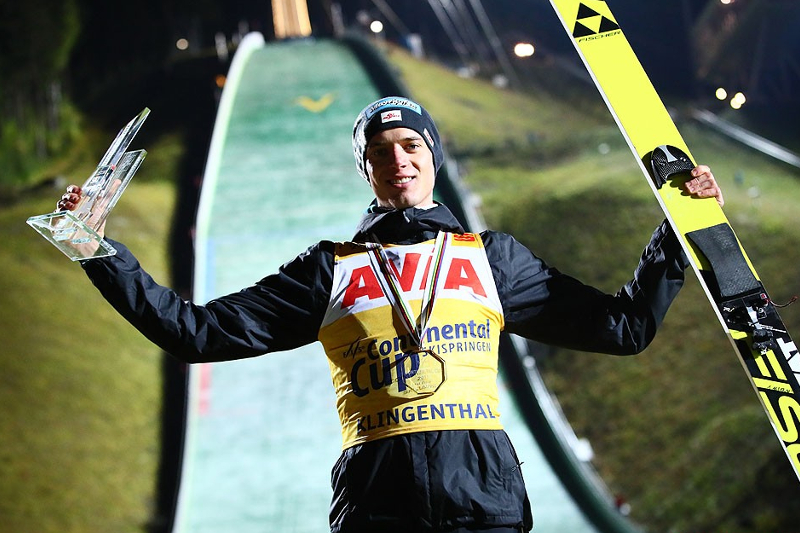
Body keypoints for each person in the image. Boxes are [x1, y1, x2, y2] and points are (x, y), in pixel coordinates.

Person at [58, 96, 723, 533]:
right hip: (378, 506)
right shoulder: (329, 268)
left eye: (410, 145)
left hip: (483, 504)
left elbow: (623, 327)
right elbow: (196, 333)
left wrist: (678, 231)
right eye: (379, 152)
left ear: (432, 156)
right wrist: (97, 251)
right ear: (366, 170)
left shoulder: (491, 258)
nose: (397, 160)